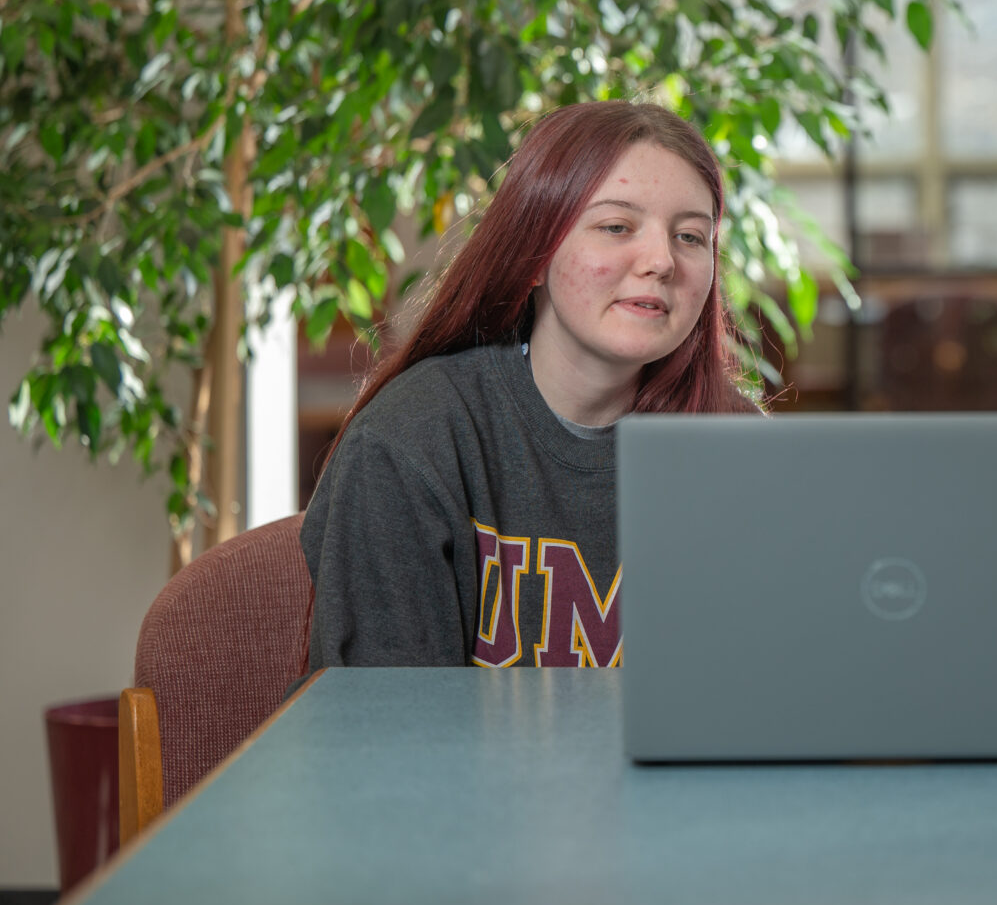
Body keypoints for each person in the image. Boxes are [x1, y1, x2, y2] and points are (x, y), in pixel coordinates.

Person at [302, 101, 754, 669]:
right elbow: (386, 732)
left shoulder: (743, 447)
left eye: (690, 237)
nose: (662, 261)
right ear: (535, 253)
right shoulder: (411, 440)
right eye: (616, 227)